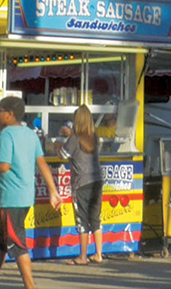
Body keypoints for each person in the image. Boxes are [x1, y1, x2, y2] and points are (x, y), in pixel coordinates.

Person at [0, 96, 64, 289]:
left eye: (0, 110)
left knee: (16, 243)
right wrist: (53, 191)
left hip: (10, 198)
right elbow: (41, 163)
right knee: (1, 242)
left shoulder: (6, 136)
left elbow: (3, 166)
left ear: (9, 114)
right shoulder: (30, 134)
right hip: (25, 197)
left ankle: (30, 286)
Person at [62, 106, 104, 265]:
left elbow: (64, 155)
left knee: (82, 220)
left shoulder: (74, 139)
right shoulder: (95, 136)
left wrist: (59, 145)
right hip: (97, 181)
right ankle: (99, 254)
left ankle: (83, 256)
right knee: (95, 219)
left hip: (81, 183)